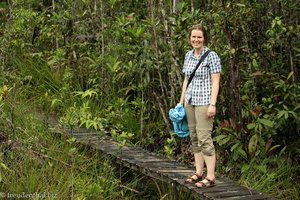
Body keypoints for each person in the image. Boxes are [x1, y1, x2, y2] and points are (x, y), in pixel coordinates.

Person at [179, 24, 221, 188]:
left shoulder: (211, 56)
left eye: (199, 37)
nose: (196, 40)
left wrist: (213, 104)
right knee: (194, 137)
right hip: (190, 101)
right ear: (190, 38)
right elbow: (186, 79)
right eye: (193, 37)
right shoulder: (188, 55)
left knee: (204, 138)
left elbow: (216, 81)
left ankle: (211, 176)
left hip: (204, 102)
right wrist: (181, 101)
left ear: (204, 39)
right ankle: (198, 172)